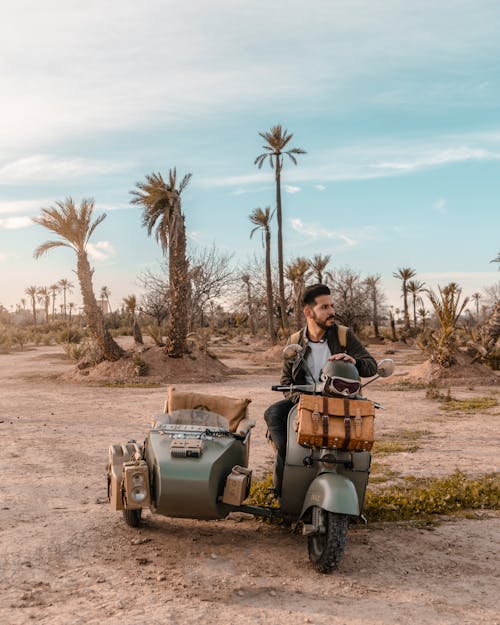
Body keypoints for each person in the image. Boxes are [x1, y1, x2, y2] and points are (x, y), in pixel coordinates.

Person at [264, 283, 378, 494]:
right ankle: (283, 477)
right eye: (324, 307)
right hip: (306, 399)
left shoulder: (343, 335)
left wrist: (354, 361)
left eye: (332, 306)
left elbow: (371, 365)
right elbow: (286, 381)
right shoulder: (295, 341)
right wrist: (302, 399)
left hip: (342, 399)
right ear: (308, 312)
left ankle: (353, 479)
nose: (331, 312)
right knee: (273, 413)